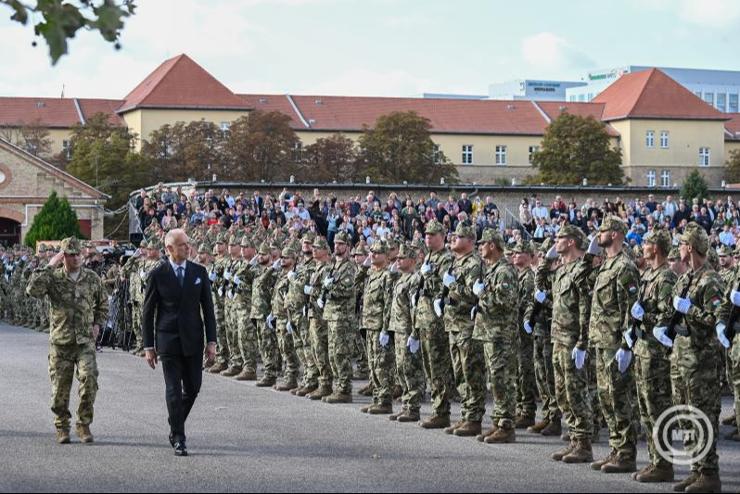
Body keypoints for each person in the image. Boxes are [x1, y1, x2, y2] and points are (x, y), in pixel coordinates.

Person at [142, 229, 217, 457]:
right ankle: (179, 438)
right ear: (169, 249)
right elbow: (148, 312)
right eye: (182, 244)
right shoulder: (158, 274)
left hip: (194, 338)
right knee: (173, 390)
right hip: (169, 340)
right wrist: (149, 346)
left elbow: (208, 309)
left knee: (193, 388)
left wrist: (212, 341)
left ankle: (175, 420)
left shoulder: (199, 272)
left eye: (188, 243)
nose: (188, 247)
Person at [27, 237, 108, 445]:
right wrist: (49, 265)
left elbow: (103, 304)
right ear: (63, 256)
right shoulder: (53, 277)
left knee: (89, 380)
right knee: (59, 390)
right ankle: (62, 426)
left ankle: (84, 424)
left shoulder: (91, 278)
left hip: (85, 342)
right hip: (61, 342)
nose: (76, 257)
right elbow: (32, 290)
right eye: (71, 254)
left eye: (78, 253)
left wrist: (98, 323)